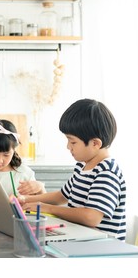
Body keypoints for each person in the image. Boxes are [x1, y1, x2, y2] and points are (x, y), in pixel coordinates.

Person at [19, 99, 127, 241]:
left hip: (99, 248)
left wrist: (47, 208)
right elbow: (61, 196)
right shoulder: (82, 167)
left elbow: (91, 217)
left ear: (95, 143)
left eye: (73, 141)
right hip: (81, 239)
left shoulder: (107, 172)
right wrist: (25, 199)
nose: (68, 147)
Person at [0, 118, 46, 197]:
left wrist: (40, 187)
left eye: (6, 154)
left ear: (14, 150)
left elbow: (43, 204)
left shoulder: (24, 173)